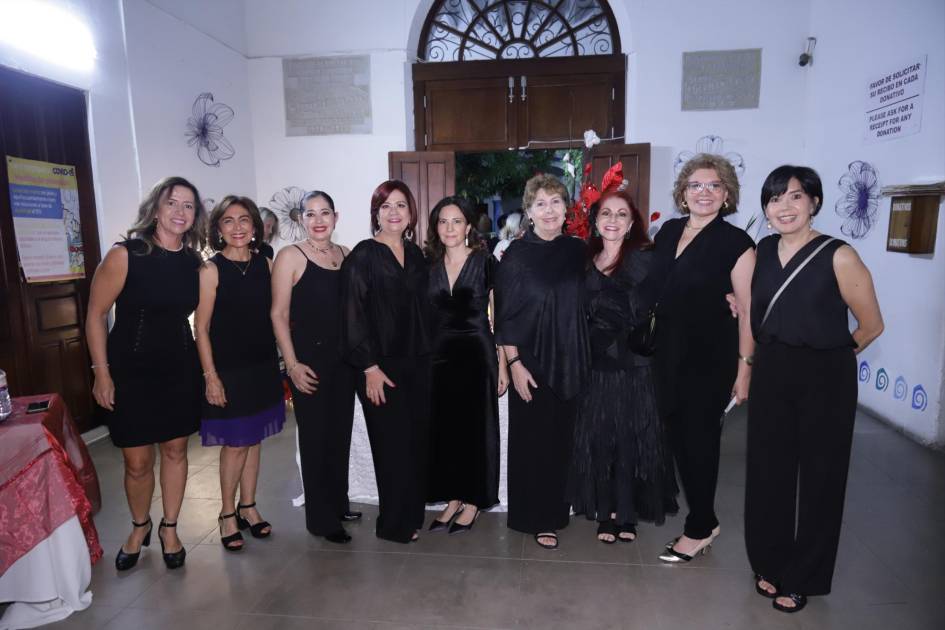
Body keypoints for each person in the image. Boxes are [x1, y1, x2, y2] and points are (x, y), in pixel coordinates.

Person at [746, 165, 883, 613]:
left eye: (795, 196)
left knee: (822, 478)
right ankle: (769, 562)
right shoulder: (764, 251)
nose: (784, 207)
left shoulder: (839, 255)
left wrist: (829, 356)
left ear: (814, 202)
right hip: (772, 369)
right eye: (774, 199)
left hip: (825, 376)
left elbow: (871, 325)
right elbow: (758, 304)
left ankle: (804, 576)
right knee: (768, 472)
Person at [86, 176, 206, 570]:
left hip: (179, 367)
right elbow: (95, 315)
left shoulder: (194, 263)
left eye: (188, 206)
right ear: (155, 208)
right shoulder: (126, 254)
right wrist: (101, 373)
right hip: (130, 371)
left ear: (195, 215)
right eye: (172, 202)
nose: (180, 212)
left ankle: (170, 527)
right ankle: (140, 525)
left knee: (175, 451)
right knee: (137, 462)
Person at [646, 154, 756, 563]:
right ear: (683, 193)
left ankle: (700, 527)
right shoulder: (668, 231)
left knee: (700, 444)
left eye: (714, 186)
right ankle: (703, 518)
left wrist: (745, 369)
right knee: (679, 441)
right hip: (667, 354)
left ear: (727, 195)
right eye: (695, 185)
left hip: (709, 357)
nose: (704, 192)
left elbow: (747, 310)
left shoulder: (736, 244)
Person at [569, 182, 679, 544]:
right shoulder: (585, 262)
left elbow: (649, 307)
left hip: (633, 366)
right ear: (595, 221)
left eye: (621, 214)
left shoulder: (645, 260)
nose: (613, 220)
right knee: (600, 440)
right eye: (606, 213)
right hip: (596, 366)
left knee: (631, 440)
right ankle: (606, 512)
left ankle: (626, 514)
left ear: (632, 223)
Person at [494, 174, 589, 550]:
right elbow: (504, 315)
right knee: (533, 441)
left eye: (556, 202)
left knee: (562, 440)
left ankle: (556, 511)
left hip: (570, 356)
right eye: (540, 204)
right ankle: (535, 518)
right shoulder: (516, 255)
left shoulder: (578, 251)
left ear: (567, 209)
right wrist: (514, 363)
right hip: (530, 361)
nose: (549, 210)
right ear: (529, 212)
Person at [340, 180, 432, 543]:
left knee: (415, 443)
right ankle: (393, 524)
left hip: (418, 363)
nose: (394, 212)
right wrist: (369, 368)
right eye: (386, 206)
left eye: (401, 205)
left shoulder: (417, 254)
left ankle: (412, 515)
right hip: (380, 367)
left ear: (411, 213)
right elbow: (351, 315)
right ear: (376, 214)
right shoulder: (363, 255)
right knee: (391, 446)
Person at [194, 195, 285, 551]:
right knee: (236, 443)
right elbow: (201, 328)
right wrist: (211, 377)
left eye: (244, 219)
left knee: (254, 437)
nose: (237, 227)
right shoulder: (211, 270)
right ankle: (227, 513)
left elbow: (277, 313)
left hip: (262, 365)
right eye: (228, 221)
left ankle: (249, 506)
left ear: (255, 227)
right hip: (229, 370)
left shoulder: (266, 263)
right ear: (218, 228)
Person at [271, 190, 359, 544]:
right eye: (310, 213)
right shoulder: (290, 256)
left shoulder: (346, 254)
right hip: (309, 362)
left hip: (344, 362)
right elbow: (278, 314)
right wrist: (292, 365)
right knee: (315, 440)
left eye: (325, 213)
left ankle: (338, 504)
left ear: (336, 217)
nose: (318, 220)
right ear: (301, 219)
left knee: (339, 436)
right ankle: (320, 519)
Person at [424, 196, 508, 534]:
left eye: (456, 221)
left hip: (477, 353)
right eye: (443, 221)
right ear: (436, 227)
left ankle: (473, 501)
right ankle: (453, 498)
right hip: (439, 356)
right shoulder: (430, 265)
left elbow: (499, 317)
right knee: (446, 431)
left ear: (469, 226)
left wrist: (503, 364)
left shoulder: (485, 262)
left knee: (476, 430)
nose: (449, 228)